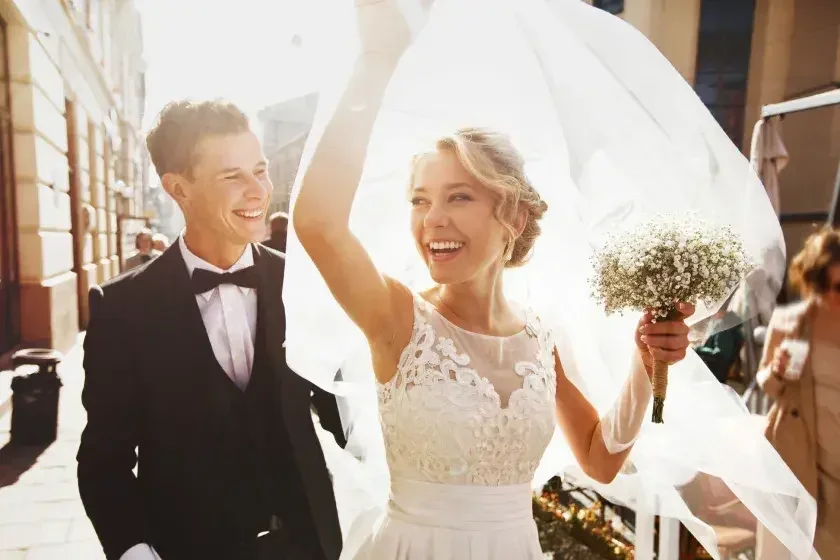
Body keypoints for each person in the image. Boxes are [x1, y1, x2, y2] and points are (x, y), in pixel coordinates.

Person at [291, 2, 695, 558]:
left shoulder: (539, 341)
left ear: (514, 217)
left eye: (459, 196)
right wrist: (377, 60)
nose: (433, 218)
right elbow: (316, 221)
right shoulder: (396, 318)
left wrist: (647, 365)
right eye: (420, 200)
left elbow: (601, 460)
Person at [77, 99, 346, 560]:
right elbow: (104, 460)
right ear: (178, 188)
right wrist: (136, 552)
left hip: (309, 545)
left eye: (260, 171)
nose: (258, 190)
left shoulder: (303, 285)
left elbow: (344, 415)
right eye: (232, 176)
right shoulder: (122, 309)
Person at [756, 227, 840, 559]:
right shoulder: (788, 322)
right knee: (791, 547)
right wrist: (776, 369)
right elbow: (767, 385)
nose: (834, 296)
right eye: (827, 286)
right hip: (797, 451)